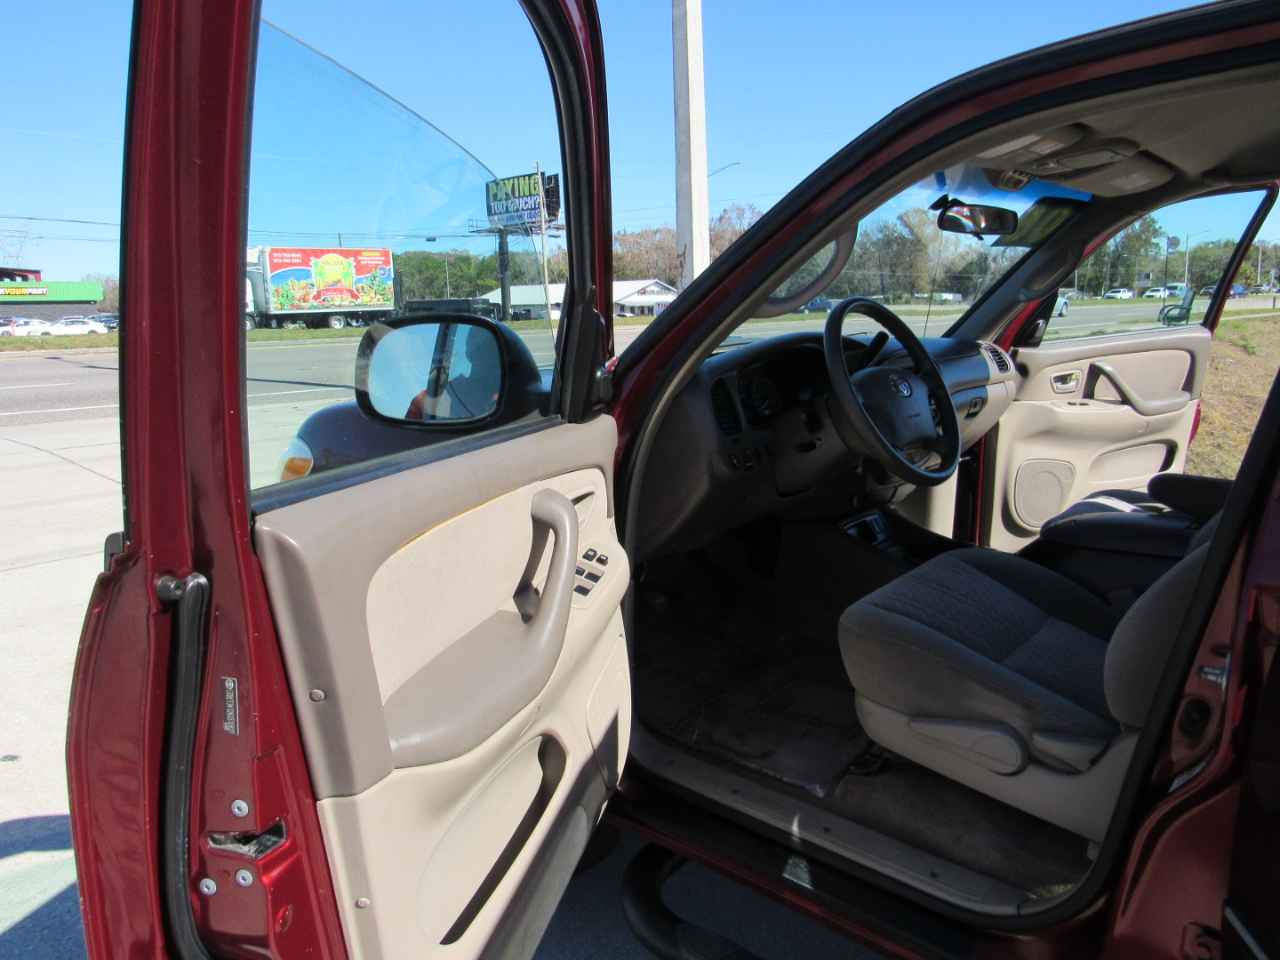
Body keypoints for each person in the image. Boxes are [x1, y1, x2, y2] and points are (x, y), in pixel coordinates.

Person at [405, 327, 501, 420]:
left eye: (500, 353)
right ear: (471, 356)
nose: (499, 360)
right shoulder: (433, 398)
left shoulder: (509, 398)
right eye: (490, 351)